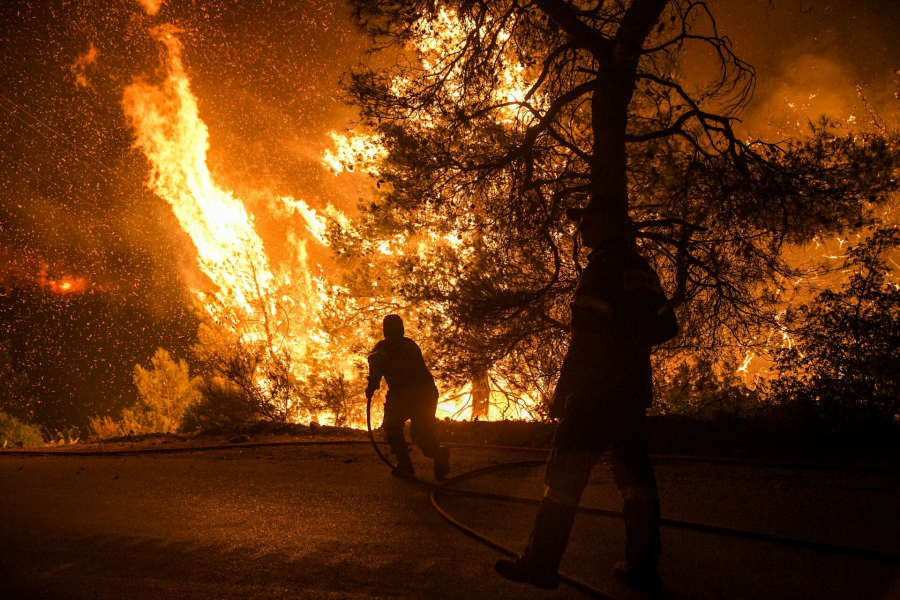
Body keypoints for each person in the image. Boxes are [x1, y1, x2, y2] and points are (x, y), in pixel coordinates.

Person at [494, 201, 678, 592]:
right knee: (636, 481)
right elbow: (667, 327)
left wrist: (566, 392)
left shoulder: (601, 268)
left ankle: (540, 565)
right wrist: (631, 345)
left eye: (589, 219)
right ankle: (643, 568)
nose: (582, 228)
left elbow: (587, 337)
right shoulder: (643, 270)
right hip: (630, 392)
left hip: (594, 393)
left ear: (612, 223)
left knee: (563, 479)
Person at [366, 314, 451, 480]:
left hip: (403, 393)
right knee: (421, 432)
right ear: (402, 329)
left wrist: (370, 388)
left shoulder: (382, 349)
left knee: (391, 426)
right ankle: (438, 452)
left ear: (385, 331)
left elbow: (376, 371)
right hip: (427, 392)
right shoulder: (410, 344)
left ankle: (404, 465)